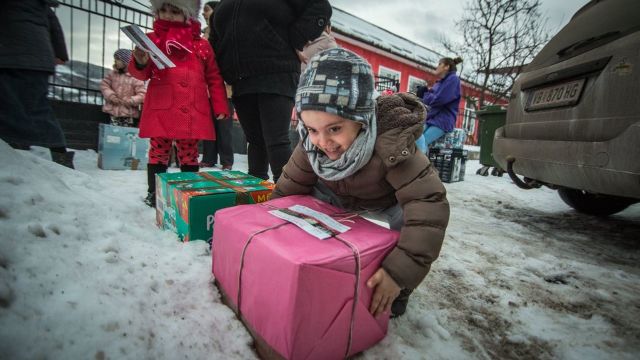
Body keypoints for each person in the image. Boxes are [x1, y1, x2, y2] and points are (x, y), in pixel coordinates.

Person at [273, 48, 450, 318]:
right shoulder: (312, 145)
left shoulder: (391, 143)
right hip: (336, 196)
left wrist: (397, 273)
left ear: (362, 120)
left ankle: (396, 291)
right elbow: (289, 189)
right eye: (312, 129)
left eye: (334, 128)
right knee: (303, 202)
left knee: (409, 216)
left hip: (384, 202)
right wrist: (270, 231)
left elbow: (428, 205)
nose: (323, 142)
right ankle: (318, 262)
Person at [210, 0, 332, 182]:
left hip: (276, 70)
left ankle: (288, 196)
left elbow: (318, 7)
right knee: (255, 141)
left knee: (276, 140)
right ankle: (257, 193)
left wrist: (297, 38)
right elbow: (216, 36)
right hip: (241, 79)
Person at [130, 0, 229, 207]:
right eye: (163, 10)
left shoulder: (201, 45)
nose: (167, 15)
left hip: (191, 107)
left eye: (174, 11)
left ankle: (189, 192)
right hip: (162, 106)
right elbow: (142, 74)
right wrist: (140, 61)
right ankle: (153, 192)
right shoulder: (151, 40)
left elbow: (214, 77)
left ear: (188, 14)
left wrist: (220, 105)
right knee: (158, 150)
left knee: (189, 152)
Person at [0, 1, 75, 168]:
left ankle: (13, 155)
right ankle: (60, 156)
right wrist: (60, 53)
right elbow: (54, 26)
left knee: (12, 107)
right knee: (38, 109)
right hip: (39, 58)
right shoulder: (39, 5)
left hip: (11, 54)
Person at [199, 1, 233, 170]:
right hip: (206, 89)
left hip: (224, 88)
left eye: (207, 10)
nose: (204, 14)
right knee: (208, 125)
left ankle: (227, 160)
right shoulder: (204, 34)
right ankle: (208, 158)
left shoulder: (225, 31)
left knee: (224, 127)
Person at [415, 57, 463, 153]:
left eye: (439, 64)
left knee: (421, 140)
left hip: (443, 120)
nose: (437, 67)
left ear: (446, 67)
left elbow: (440, 99)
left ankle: (421, 165)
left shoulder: (453, 80)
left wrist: (426, 95)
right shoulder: (440, 83)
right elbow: (432, 98)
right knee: (414, 134)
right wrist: (425, 93)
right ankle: (421, 164)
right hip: (432, 118)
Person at [100, 49, 146, 127]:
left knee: (126, 135)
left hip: (128, 114)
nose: (115, 61)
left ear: (126, 61)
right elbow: (104, 86)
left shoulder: (135, 77)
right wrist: (111, 96)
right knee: (111, 135)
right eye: (115, 59)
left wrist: (132, 100)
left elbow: (142, 93)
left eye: (118, 59)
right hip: (112, 112)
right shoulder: (112, 74)